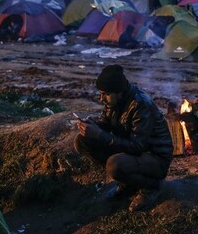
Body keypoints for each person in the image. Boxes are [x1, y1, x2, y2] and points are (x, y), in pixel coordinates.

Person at [74, 65, 173, 212]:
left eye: (105, 94)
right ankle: (128, 182)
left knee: (114, 164)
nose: (101, 99)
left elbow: (137, 146)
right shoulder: (113, 100)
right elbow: (106, 123)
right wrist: (94, 125)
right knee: (82, 142)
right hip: (135, 152)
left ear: (118, 91)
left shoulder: (140, 104)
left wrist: (100, 134)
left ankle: (150, 187)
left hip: (154, 157)